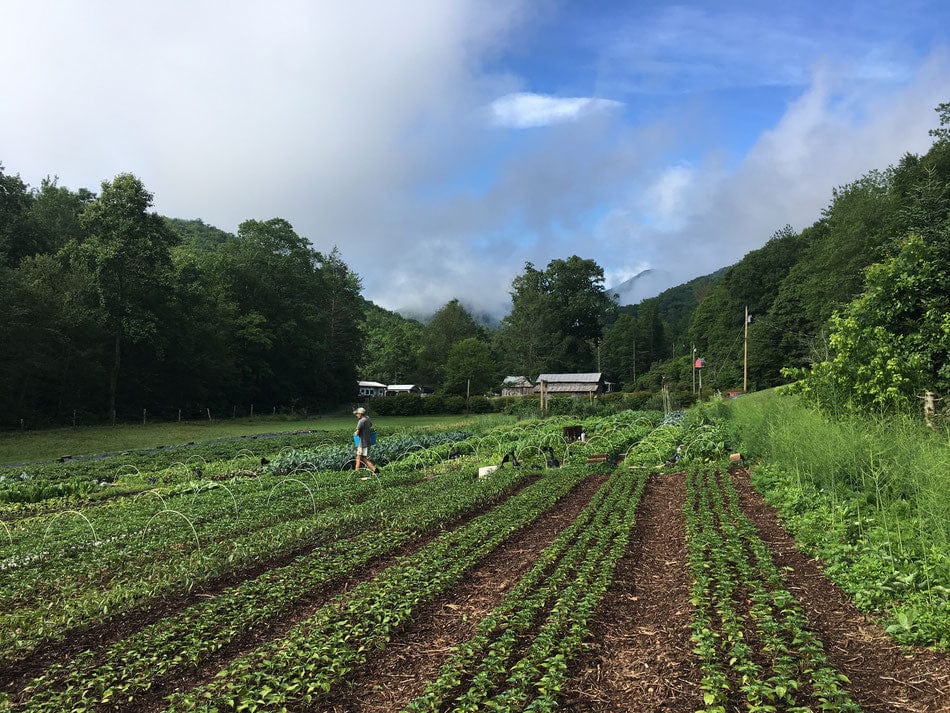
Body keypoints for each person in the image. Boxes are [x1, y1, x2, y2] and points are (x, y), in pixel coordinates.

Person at [353, 407, 379, 474]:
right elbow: (370, 425)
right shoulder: (368, 418)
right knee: (362, 458)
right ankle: (375, 469)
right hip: (368, 441)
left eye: (357, 414)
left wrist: (355, 433)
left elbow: (357, 432)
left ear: (360, 414)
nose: (356, 415)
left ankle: (356, 472)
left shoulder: (361, 421)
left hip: (362, 443)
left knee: (359, 457)